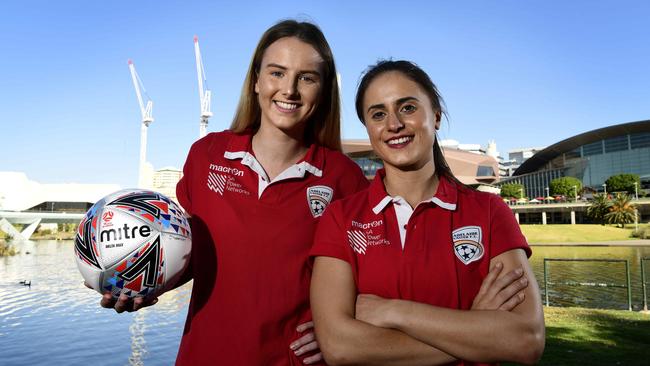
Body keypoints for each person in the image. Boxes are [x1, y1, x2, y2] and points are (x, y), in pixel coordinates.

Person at [100, 20, 369, 365]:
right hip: (205, 355)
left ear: (324, 90)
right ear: (256, 81)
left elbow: (373, 276)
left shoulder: (343, 177)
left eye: (306, 77)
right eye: (276, 73)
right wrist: (145, 284)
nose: (289, 89)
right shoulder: (207, 155)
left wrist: (339, 327)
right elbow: (188, 256)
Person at [310, 60, 545, 365]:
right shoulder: (341, 219)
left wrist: (394, 311)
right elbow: (339, 346)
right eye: (378, 114)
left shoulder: (488, 212)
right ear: (368, 129)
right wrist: (474, 328)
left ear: (435, 116)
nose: (393, 124)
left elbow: (526, 339)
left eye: (407, 108)